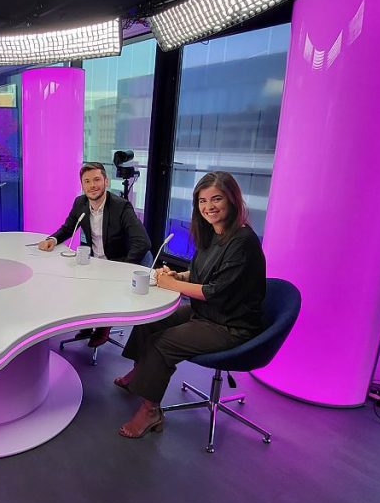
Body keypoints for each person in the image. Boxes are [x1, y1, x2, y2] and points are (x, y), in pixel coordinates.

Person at [114, 171, 266, 439]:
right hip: (206, 313)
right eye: (202, 201)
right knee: (151, 319)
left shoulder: (243, 242)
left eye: (216, 199)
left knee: (165, 342)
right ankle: (140, 373)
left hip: (230, 324)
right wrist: (178, 276)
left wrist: (170, 285)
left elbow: (214, 291)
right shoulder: (213, 234)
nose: (209, 207)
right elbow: (201, 274)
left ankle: (151, 411)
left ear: (232, 200)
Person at [38, 162, 151, 348]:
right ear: (82, 185)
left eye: (97, 180)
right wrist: (53, 239)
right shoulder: (80, 203)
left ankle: (104, 326)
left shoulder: (121, 207)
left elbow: (143, 242)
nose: (92, 185)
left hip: (118, 261)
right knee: (74, 281)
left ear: (106, 181)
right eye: (87, 181)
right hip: (93, 261)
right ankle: (89, 322)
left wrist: (121, 268)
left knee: (102, 286)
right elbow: (68, 228)